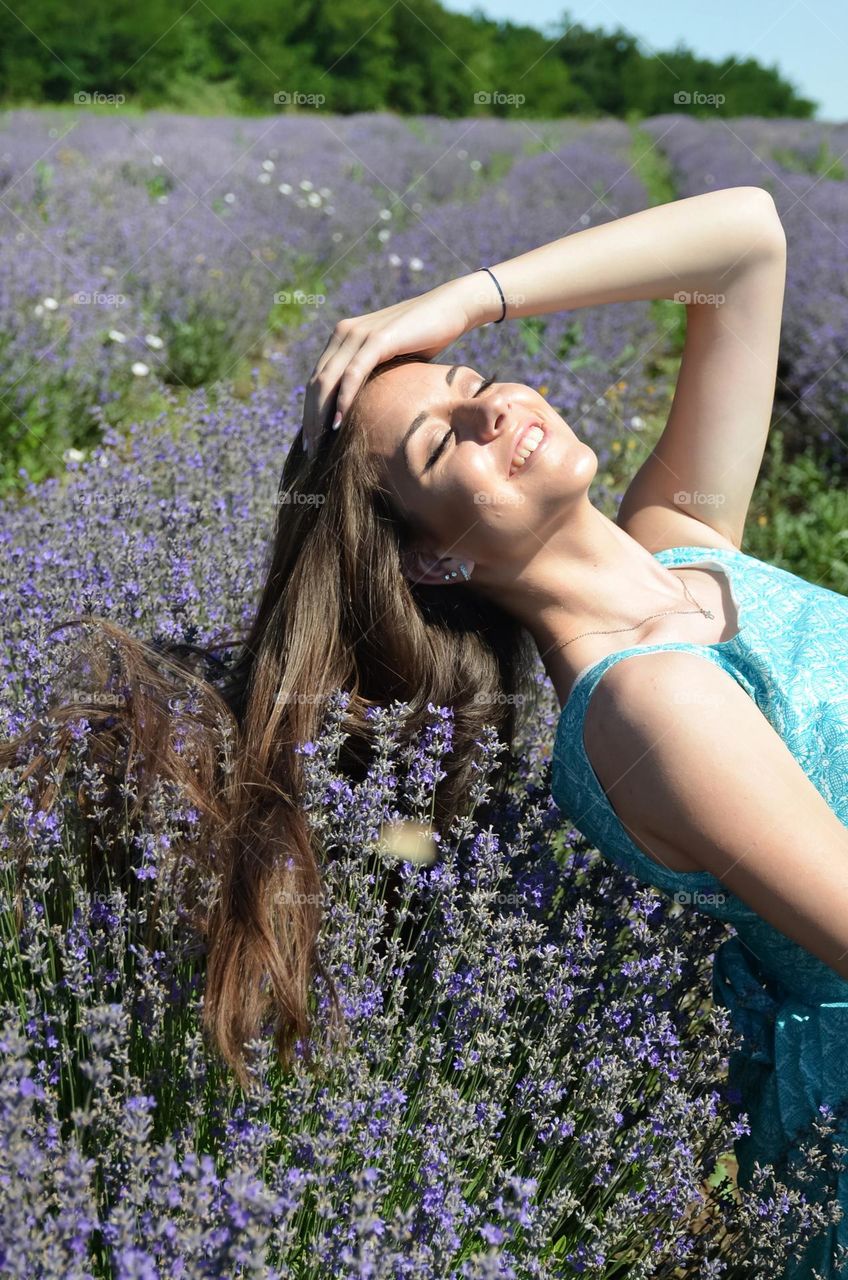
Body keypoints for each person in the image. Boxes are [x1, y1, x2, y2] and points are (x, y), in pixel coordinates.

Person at [4, 185, 846, 1273]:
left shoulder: (681, 542)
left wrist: (459, 299)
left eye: (471, 384)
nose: (492, 411)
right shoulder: (648, 701)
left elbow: (744, 241)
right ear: (434, 560)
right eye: (443, 446)